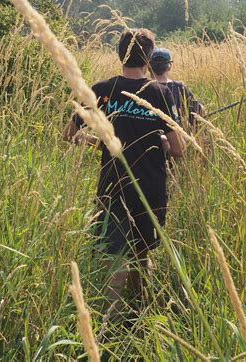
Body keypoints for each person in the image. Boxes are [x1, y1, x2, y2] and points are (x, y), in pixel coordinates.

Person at [63, 28, 183, 307]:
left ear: (119, 54)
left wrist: (104, 143)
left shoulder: (101, 91)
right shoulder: (161, 93)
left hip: (112, 186)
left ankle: (111, 326)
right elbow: (178, 150)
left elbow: (69, 134)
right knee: (142, 254)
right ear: (149, 57)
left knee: (115, 257)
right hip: (150, 189)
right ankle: (140, 314)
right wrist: (161, 141)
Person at [149, 47, 206, 128]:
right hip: (177, 137)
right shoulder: (180, 87)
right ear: (170, 65)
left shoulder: (144, 87)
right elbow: (199, 111)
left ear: (149, 66)